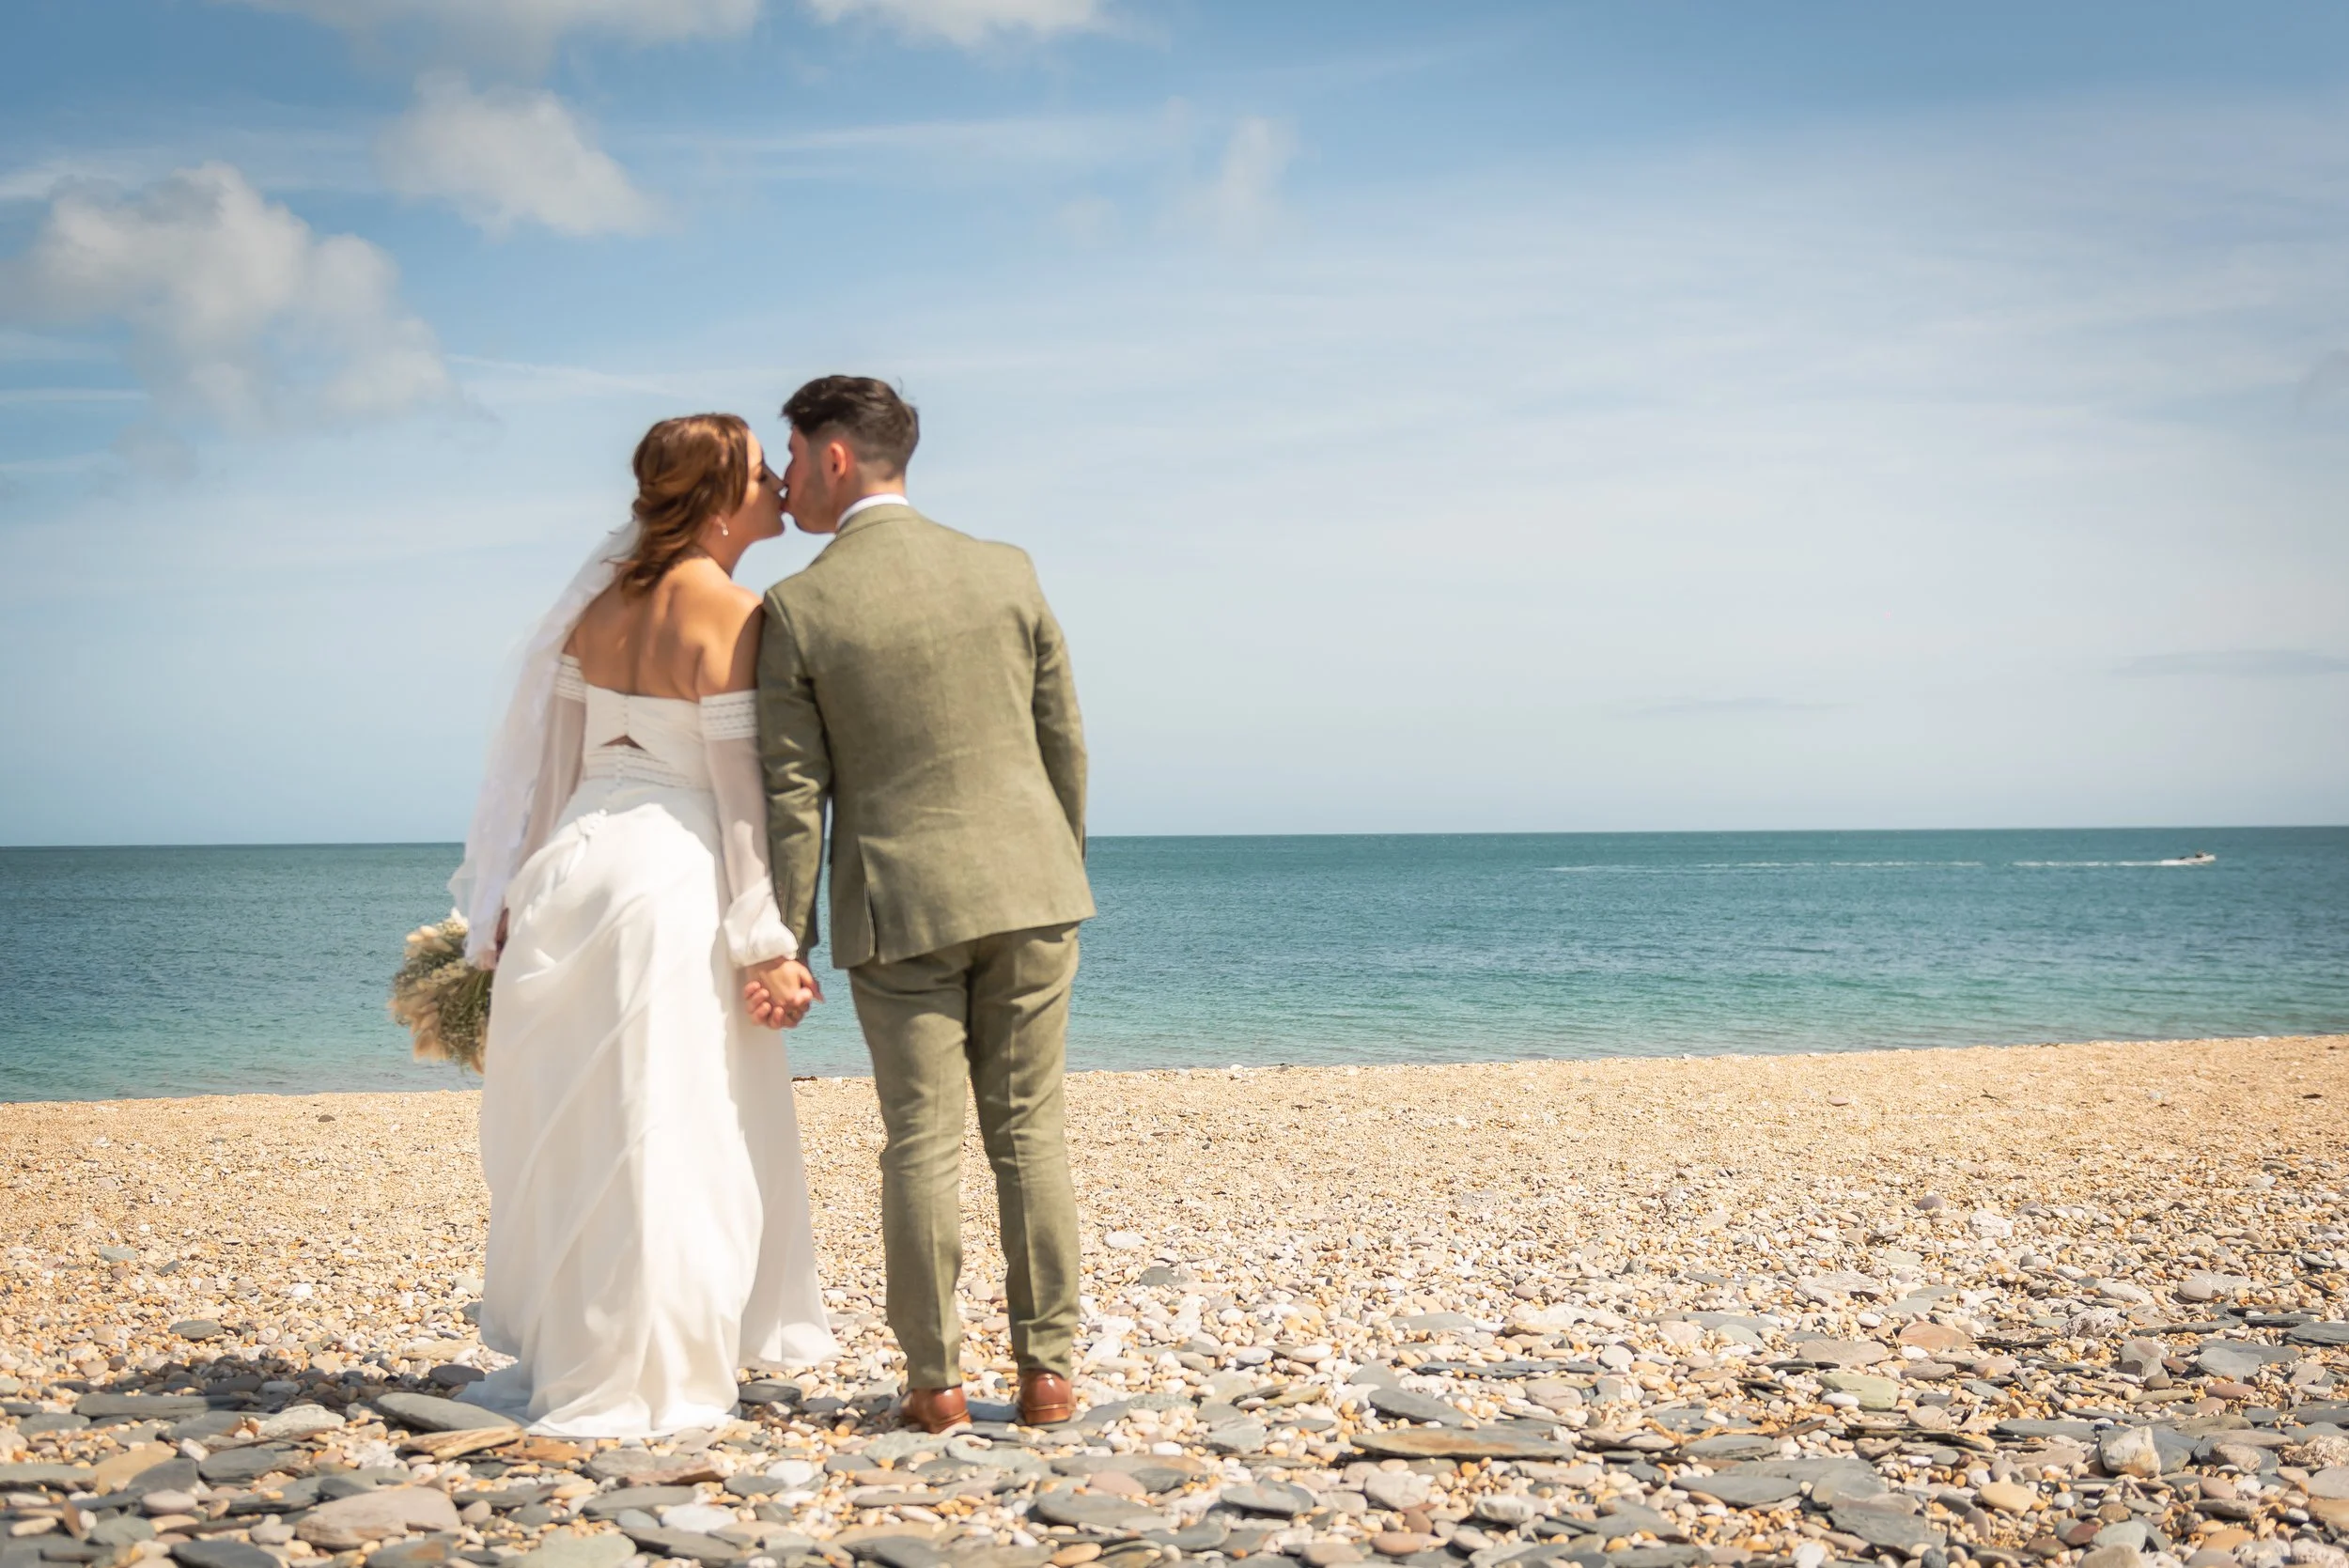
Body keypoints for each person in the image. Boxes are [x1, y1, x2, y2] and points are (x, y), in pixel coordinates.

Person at [446, 413, 835, 1436]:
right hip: (669, 880)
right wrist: (768, 938)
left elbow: (552, 780)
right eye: (761, 473)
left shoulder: (591, 614)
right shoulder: (736, 613)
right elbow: (742, 797)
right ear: (718, 498)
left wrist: (509, 902)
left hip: (571, 872)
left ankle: (577, 1343)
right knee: (668, 1122)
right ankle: (650, 1369)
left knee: (584, 1124)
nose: (779, 488)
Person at [744, 376, 1094, 1434]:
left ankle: (935, 1385)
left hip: (898, 903)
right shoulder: (1005, 569)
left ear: (835, 457)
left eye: (793, 456)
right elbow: (1062, 738)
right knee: (1030, 1135)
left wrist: (784, 935)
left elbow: (794, 792)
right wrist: (1052, 865)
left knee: (919, 1143)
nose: (788, 476)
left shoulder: (802, 607)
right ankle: (1048, 1375)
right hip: (1032, 887)